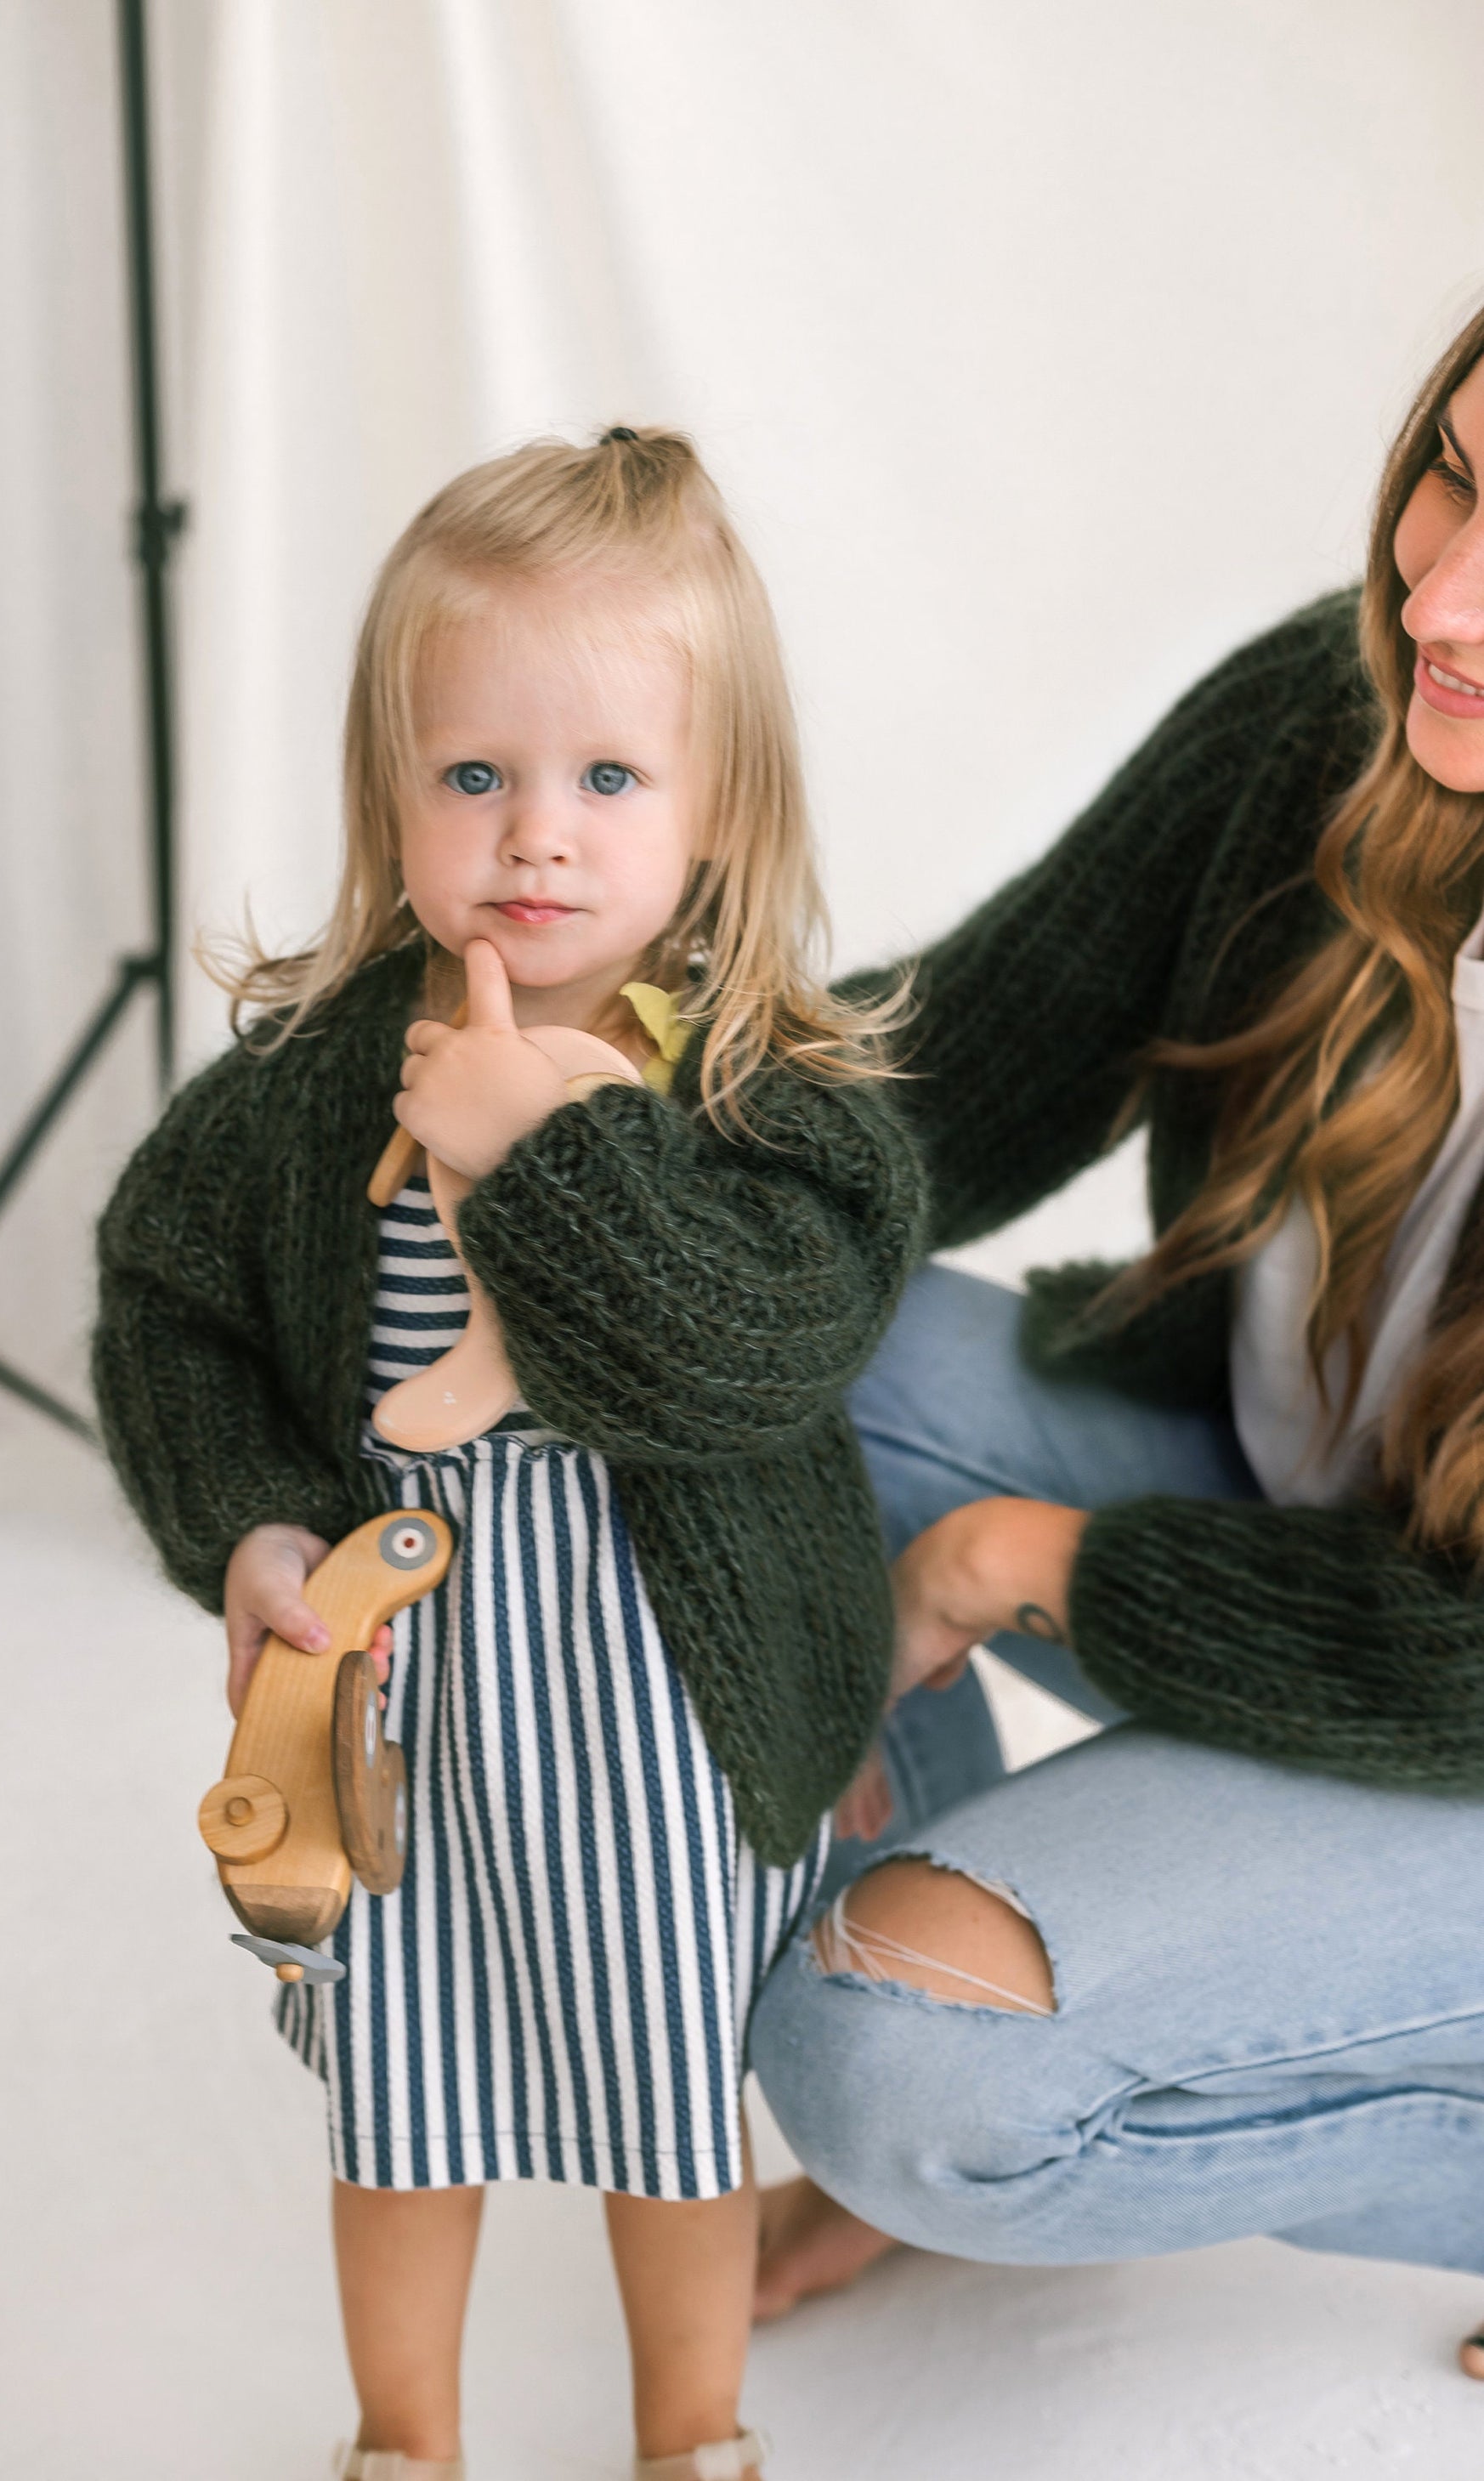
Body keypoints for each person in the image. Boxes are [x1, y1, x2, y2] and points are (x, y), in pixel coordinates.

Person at [93, 430, 924, 2480]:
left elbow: (742, 1351)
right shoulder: (311, 1081)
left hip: (657, 1704)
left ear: (716, 803)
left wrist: (538, 1140)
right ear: (396, 788)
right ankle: (402, 2438)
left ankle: (691, 2431)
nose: (533, 838)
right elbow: (165, 1298)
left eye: (608, 779)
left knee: (663, 2099)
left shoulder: (772, 1095)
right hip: (407, 1704)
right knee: (401, 2094)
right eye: (474, 774)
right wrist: (251, 1525)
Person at [750, 303, 1484, 2371]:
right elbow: (950, 1070)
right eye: (1448, 475)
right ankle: (1023, 1959)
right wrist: (609, 1117)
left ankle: (975, 2052)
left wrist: (1028, 1564)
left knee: (891, 2075)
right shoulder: (1329, 722)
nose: (1437, 593)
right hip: (1290, 1531)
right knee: (764, 1364)